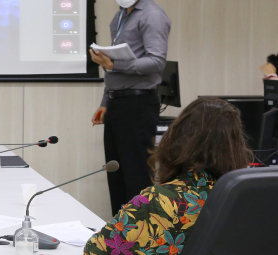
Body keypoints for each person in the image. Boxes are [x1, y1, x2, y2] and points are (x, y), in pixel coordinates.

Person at [84, 98, 252, 255]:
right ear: (237, 146)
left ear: (176, 139)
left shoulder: (159, 200)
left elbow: (94, 250)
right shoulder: (244, 198)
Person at [89, 0, 171, 216]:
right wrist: (106, 101)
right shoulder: (120, 16)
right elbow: (115, 61)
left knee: (135, 176)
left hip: (138, 105)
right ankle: (120, 237)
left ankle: (139, 240)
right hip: (118, 102)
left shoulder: (153, 16)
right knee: (116, 172)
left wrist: (114, 66)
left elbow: (157, 62)